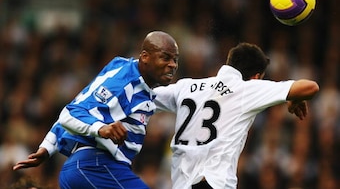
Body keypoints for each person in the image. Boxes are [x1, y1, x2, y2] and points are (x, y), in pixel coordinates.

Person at [13, 31, 179, 189]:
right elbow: (70, 113)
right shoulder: (123, 84)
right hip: (95, 168)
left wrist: (49, 146)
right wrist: (101, 128)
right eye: (165, 58)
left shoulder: (126, 72)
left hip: (85, 171)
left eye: (175, 59)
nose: (172, 65)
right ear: (145, 56)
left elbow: (81, 103)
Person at [153, 42, 319, 189]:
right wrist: (293, 98)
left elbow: (142, 97)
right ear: (256, 77)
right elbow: (311, 87)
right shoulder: (246, 89)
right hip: (215, 183)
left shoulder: (186, 87)